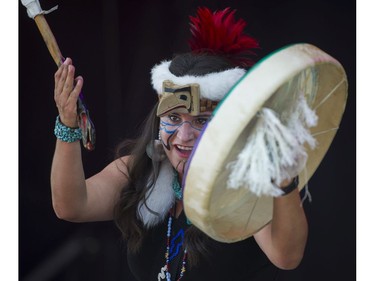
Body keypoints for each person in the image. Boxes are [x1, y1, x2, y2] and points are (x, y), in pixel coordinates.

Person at [51, 7, 308, 281]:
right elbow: (71, 206)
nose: (184, 136)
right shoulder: (139, 172)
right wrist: (68, 124)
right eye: (174, 117)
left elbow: (287, 256)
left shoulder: (246, 187)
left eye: (200, 121)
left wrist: (283, 180)